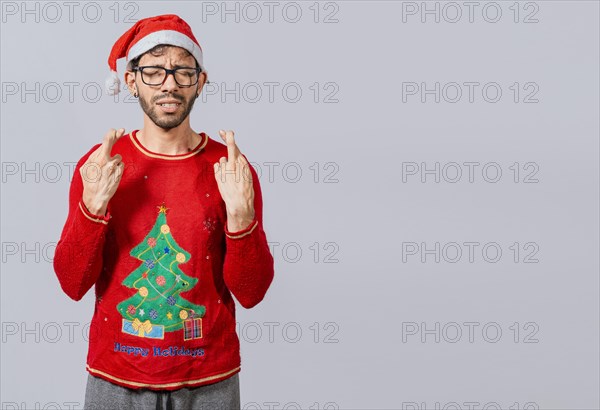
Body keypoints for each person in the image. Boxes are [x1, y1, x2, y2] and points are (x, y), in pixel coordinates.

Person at [53, 14, 275, 410]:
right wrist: (92, 208)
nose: (169, 83)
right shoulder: (100, 166)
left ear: (200, 81)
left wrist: (241, 219)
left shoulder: (230, 169)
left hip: (210, 381)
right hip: (116, 378)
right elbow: (72, 284)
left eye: (182, 71)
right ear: (131, 80)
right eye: (154, 70)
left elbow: (252, 292)